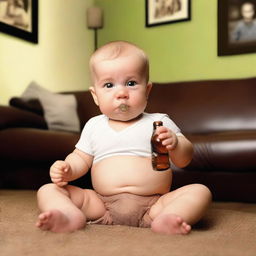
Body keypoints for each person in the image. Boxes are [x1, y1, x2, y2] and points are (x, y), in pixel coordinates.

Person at [36, 41, 212, 235]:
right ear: (95, 96)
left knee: (200, 191)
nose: (121, 93)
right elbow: (80, 158)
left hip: (154, 205)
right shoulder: (95, 125)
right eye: (109, 85)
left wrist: (176, 143)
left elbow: (184, 159)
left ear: (147, 90)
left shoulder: (159, 122)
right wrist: (67, 169)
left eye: (131, 83)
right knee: (48, 189)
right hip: (101, 204)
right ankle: (68, 215)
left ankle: (169, 217)